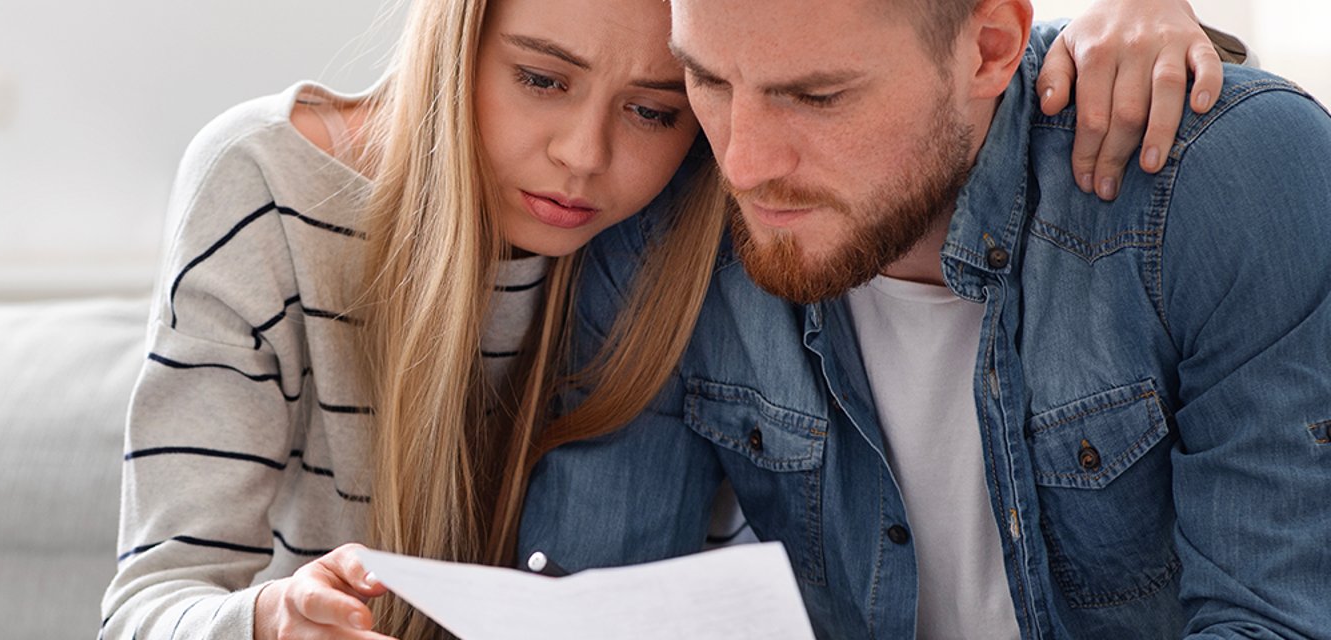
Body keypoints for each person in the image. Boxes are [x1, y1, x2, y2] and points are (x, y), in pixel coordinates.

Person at [100, 0, 1235, 637]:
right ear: (460, 35)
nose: (585, 158)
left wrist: (1132, 23)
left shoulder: (720, 195)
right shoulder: (269, 184)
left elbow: (911, 67)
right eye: (539, 79)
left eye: (652, 107)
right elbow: (148, 601)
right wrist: (264, 621)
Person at [519, 0, 1329, 638]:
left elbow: (1283, 618)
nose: (745, 163)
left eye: (816, 96)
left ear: (987, 49)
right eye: (711, 81)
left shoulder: (1226, 177)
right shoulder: (666, 213)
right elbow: (594, 609)